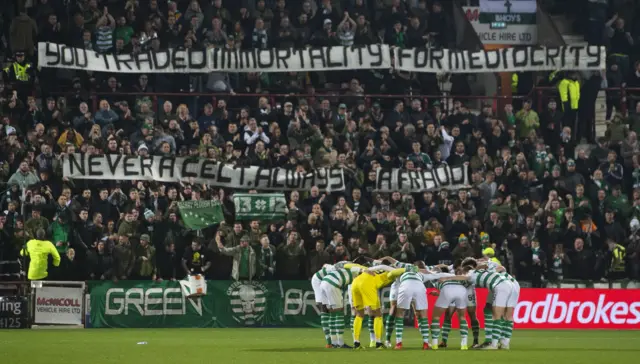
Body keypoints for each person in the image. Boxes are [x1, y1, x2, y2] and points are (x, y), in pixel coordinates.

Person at [350, 264, 406, 349]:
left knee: (359, 314)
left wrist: (362, 269)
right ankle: (378, 343)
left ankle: (356, 343)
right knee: (378, 315)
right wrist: (409, 268)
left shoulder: (368, 269)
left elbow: (349, 265)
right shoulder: (389, 272)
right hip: (368, 284)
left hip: (355, 283)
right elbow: (396, 271)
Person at [318, 264, 366, 348]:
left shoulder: (345, 268)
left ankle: (334, 342)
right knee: (339, 311)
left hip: (323, 283)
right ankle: (340, 343)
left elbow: (325, 265)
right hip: (333, 284)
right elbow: (364, 271)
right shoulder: (356, 270)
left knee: (332, 313)